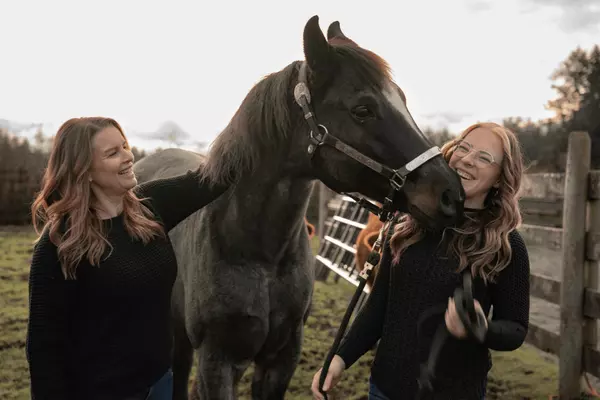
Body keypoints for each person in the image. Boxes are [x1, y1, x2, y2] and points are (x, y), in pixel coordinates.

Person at [311, 122, 531, 400]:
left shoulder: (505, 244)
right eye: (464, 147)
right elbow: (378, 307)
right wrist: (339, 358)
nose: (468, 159)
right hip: (383, 390)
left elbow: (515, 328)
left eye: (484, 158)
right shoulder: (408, 225)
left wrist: (481, 329)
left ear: (500, 178)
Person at [25, 117, 229, 400]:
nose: (128, 157)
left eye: (125, 146)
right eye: (112, 153)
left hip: (159, 384)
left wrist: (259, 117)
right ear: (83, 171)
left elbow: (215, 177)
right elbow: (43, 348)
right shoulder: (59, 244)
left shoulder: (150, 206)